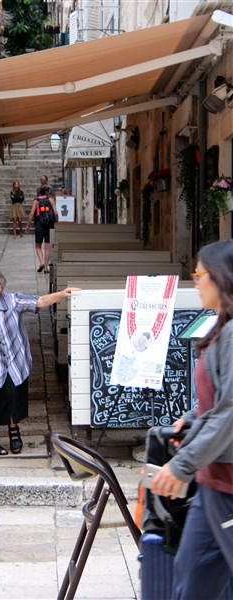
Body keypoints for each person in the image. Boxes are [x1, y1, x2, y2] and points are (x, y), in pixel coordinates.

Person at [151, 239, 233, 600]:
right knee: (192, 575)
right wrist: (191, 417)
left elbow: (230, 411)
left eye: (199, 273)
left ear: (222, 276)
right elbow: (218, 398)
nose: (195, 281)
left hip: (227, 483)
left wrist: (181, 465)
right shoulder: (222, 329)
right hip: (213, 481)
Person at [0, 265, 79, 456]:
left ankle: (13, 430)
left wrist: (62, 294)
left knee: (13, 396)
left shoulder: (12, 301)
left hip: (16, 360)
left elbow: (39, 301)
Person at [25, 184, 58, 274]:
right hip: (49, 225)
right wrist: (56, 223)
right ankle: (46, 268)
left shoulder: (36, 201)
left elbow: (32, 214)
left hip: (39, 225)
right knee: (47, 247)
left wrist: (27, 225)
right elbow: (55, 213)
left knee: (38, 246)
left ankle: (41, 262)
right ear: (47, 192)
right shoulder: (51, 200)